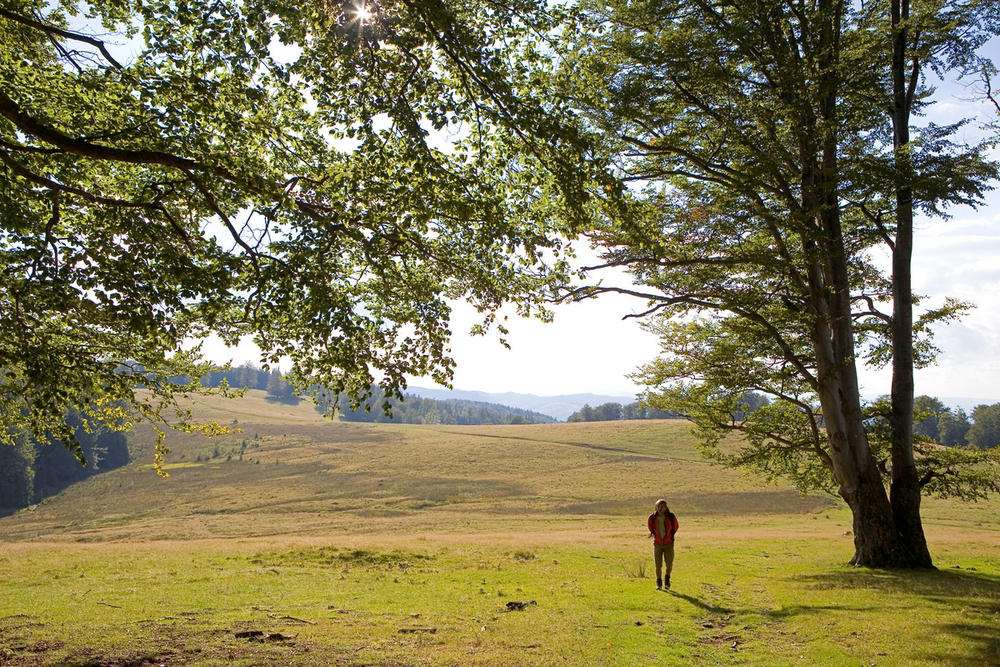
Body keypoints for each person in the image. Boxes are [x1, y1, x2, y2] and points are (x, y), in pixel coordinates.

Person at [647, 498, 678, 590]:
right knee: (658, 565)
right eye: (658, 506)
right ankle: (659, 582)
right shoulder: (652, 518)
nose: (660, 508)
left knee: (669, 564)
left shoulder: (671, 517)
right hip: (658, 544)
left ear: (666, 507)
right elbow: (650, 527)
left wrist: (670, 536)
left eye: (662, 507)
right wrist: (657, 536)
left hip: (669, 544)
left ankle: (667, 578)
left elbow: (675, 527)